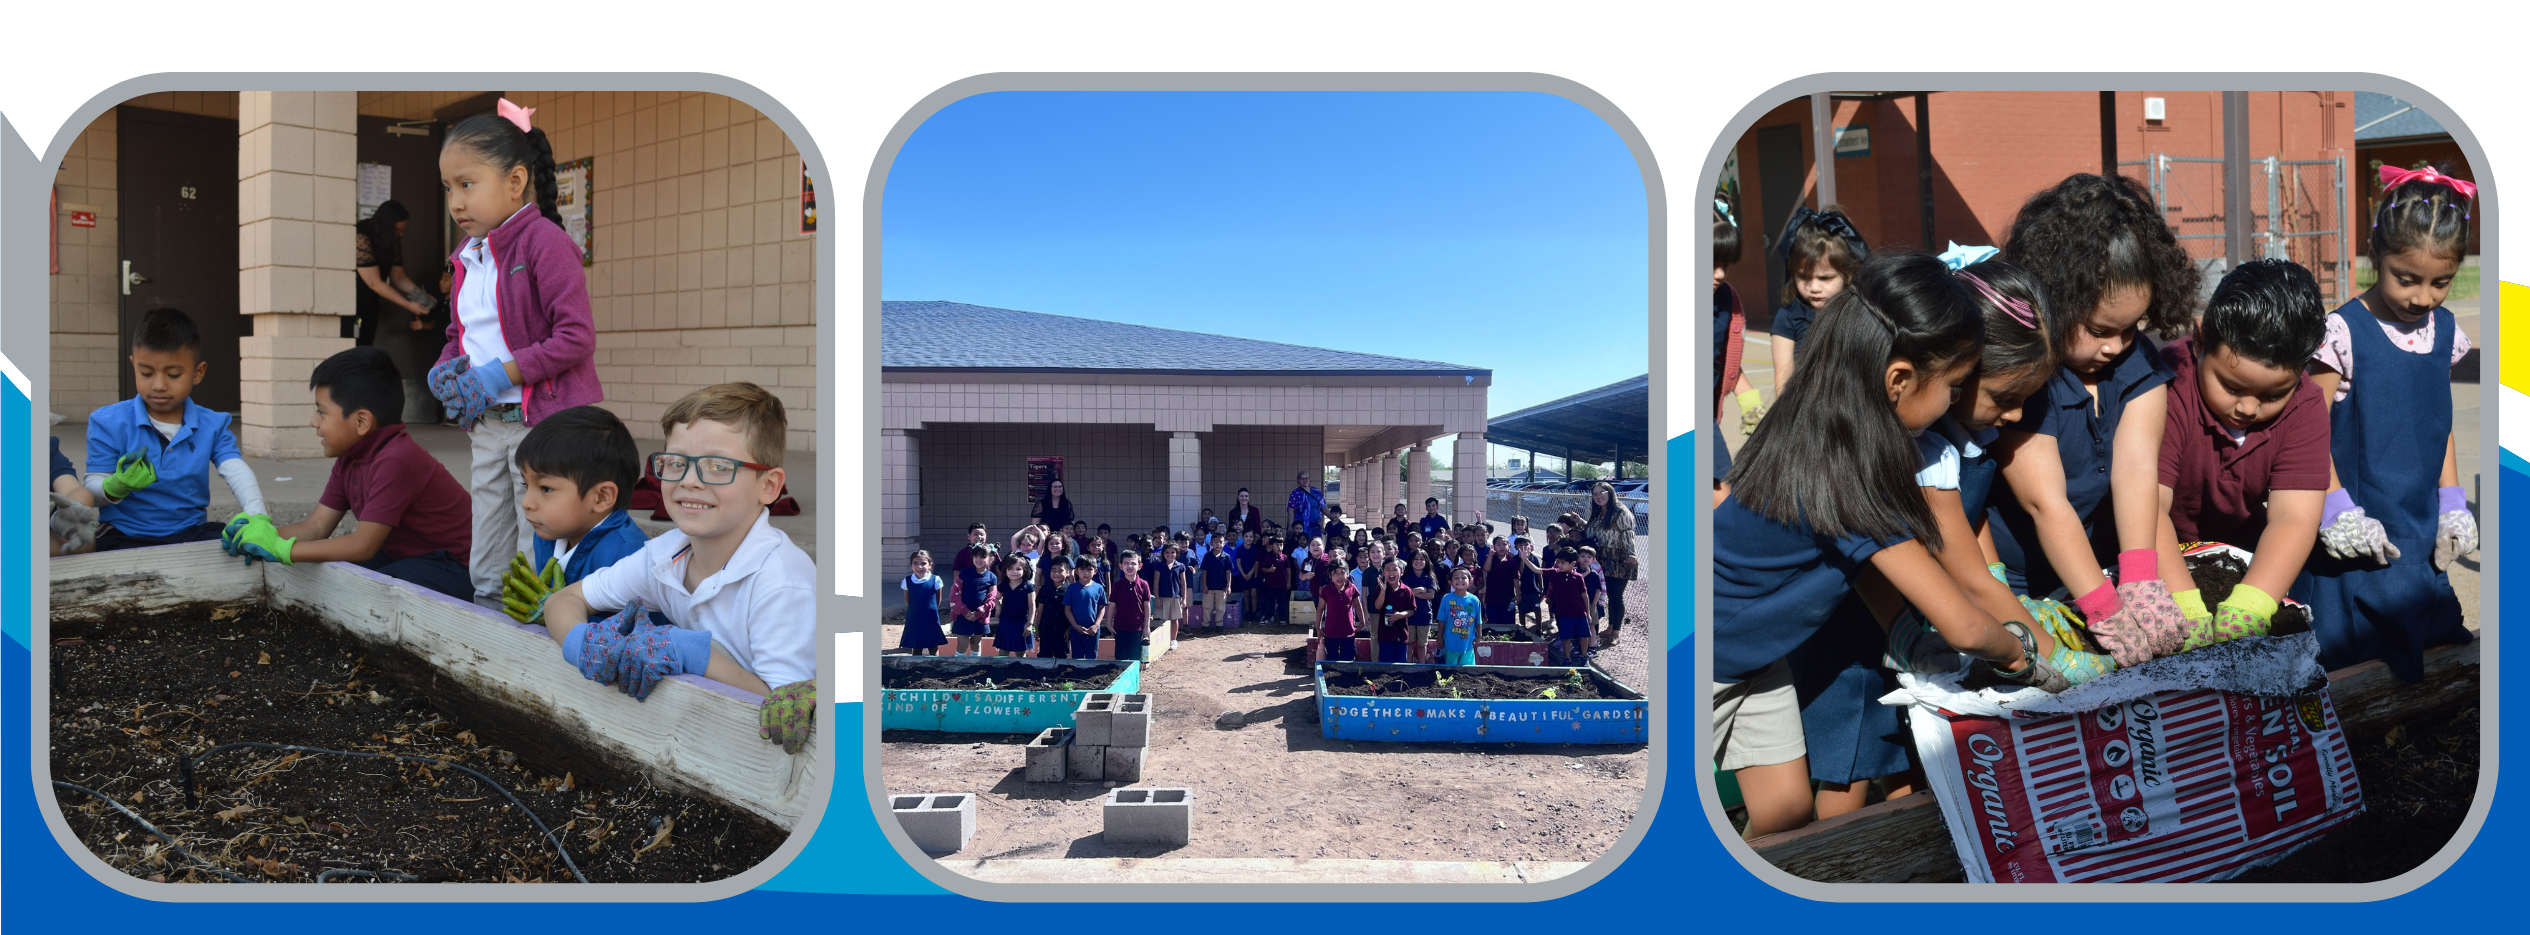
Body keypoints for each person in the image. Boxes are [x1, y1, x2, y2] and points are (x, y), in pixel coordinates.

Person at [1717, 250, 2072, 839]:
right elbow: (1960, 624)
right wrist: (2025, 659)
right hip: (1711, 656)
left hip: (1762, 654)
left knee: (1784, 811)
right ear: (1899, 380)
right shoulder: (1852, 473)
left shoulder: (1827, 425)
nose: (1955, 403)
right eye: (1955, 386)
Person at [540, 383, 816, 755]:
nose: (689, 480)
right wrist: (582, 643)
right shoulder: (664, 555)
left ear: (768, 486)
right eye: (675, 463)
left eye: (718, 466)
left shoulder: (782, 583)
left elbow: (783, 713)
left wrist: (691, 652)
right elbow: (565, 599)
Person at [1990, 174, 2198, 648]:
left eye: (2130, 329)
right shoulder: (2024, 377)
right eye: (2100, 329)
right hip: (2014, 581)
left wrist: (2141, 577)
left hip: (2102, 566)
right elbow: (2046, 503)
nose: (2116, 347)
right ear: (2055, 299)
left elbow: (2137, 469)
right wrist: (2103, 607)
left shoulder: (2138, 363)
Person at [2299, 166, 2478, 681]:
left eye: (2440, 282)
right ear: (2375, 254)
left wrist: (2452, 503)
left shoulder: (2444, 330)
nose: (2422, 297)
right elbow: (2307, 431)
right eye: (2407, 279)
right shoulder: (2342, 332)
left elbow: (2437, 421)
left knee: (2436, 655)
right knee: (2350, 663)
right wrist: (2335, 510)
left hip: (2419, 530)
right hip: (2354, 536)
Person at [428, 100, 604, 606]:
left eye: (467, 183)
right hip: (488, 422)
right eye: (448, 188)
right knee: (487, 528)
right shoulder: (467, 256)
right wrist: (446, 367)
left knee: (537, 534)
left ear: (515, 181)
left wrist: (498, 372)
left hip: (542, 423)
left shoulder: (544, 243)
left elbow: (576, 337)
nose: (456, 202)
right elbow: (461, 334)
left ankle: (538, 623)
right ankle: (487, 614)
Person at [220, 347, 473, 599]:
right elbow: (317, 526)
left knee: (374, 590)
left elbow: (362, 546)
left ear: (362, 422)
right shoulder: (350, 457)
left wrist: (280, 549)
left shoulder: (397, 459)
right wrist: (258, 535)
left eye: (321, 411)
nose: (313, 421)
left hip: (456, 566)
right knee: (341, 573)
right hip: (411, 557)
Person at [84, 307, 270, 553]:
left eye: (173, 374)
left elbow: (236, 471)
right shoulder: (108, 422)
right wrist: (114, 485)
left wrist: (258, 516)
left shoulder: (213, 424)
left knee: (233, 544)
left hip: (190, 532)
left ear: (198, 373)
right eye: (146, 373)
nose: (159, 385)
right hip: (125, 532)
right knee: (95, 554)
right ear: (133, 365)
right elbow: (91, 488)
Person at [498, 405, 651, 622]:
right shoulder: (547, 535)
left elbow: (637, 637)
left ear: (601, 497)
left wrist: (556, 616)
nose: (526, 503)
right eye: (525, 485)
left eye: (546, 488)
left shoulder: (628, 556)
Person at [1766, 205, 1869, 395]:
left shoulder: (1860, 311)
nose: (1814, 288)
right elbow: (1783, 380)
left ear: (1847, 274)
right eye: (1804, 277)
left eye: (1825, 278)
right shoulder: (1788, 317)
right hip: (1808, 415)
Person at [1716, 191, 1762, 476]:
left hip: (1711, 418)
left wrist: (1751, 404)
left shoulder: (1725, 299)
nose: (1720, 273)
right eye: (1709, 263)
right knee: (1720, 494)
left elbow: (1722, 361)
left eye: (1725, 264)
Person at [1583, 480, 1638, 644]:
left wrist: (1631, 554)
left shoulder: (1621, 512)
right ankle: (1610, 627)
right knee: (1607, 595)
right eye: (1595, 494)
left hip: (1619, 559)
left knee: (1616, 596)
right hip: (1602, 560)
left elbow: (1629, 535)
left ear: (1610, 493)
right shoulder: (1599, 513)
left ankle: (1616, 633)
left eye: (1602, 492)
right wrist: (1579, 522)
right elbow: (1592, 532)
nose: (1598, 496)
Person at [948, 545, 998, 657]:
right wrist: (964, 611)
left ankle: (975, 666)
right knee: (962, 643)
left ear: (991, 558)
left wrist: (979, 613)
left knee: (976, 642)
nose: (978, 560)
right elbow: (954, 593)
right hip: (962, 615)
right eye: (976, 556)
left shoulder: (992, 577)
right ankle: (958, 667)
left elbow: (992, 598)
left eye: (982, 557)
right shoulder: (964, 573)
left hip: (980, 617)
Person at [1035, 534, 1076, 657]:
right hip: (1046, 623)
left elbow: (1072, 577)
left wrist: (1072, 589)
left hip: (1062, 628)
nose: (1054, 546)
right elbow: (1038, 575)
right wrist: (1037, 628)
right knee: (1044, 654)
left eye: (1057, 543)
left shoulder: (1067, 559)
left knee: (1062, 654)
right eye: (1051, 543)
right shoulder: (1043, 558)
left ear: (1063, 545)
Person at [898, 550, 946, 655]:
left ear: (930, 565)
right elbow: (908, 599)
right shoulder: (907, 581)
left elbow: (938, 599)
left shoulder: (935, 580)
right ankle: (916, 668)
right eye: (915, 563)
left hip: (930, 618)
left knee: (933, 645)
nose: (919, 567)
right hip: (914, 618)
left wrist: (930, 610)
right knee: (916, 645)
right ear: (911, 565)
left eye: (923, 563)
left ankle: (935, 666)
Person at [1062, 557, 1110, 661]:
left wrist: (1096, 626)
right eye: (1082, 569)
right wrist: (1075, 626)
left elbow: (1102, 609)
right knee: (1077, 657)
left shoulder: (1099, 588)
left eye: (1089, 569)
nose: (1086, 573)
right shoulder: (1071, 588)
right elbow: (1067, 609)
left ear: (1095, 571)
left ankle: (1089, 677)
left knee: (1091, 657)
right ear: (1077, 571)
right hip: (1076, 630)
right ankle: (1077, 675)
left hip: (1093, 630)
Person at [1110, 550, 1154, 662]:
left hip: (1137, 627)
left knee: (1135, 657)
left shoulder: (1144, 584)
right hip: (1120, 627)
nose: (1129, 566)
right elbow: (1112, 605)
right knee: (1120, 657)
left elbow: (1147, 606)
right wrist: (1109, 624)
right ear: (1120, 566)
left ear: (1140, 566)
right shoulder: (1117, 585)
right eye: (1126, 563)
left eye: (1133, 563)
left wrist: (1146, 626)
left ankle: (1134, 679)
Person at [1315, 556, 1361, 662]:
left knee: (1348, 657)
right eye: (1335, 573)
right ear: (1330, 575)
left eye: (1342, 572)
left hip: (1348, 630)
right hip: (1331, 631)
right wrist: (1318, 627)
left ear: (1348, 573)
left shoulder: (1352, 588)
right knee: (1332, 656)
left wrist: (1362, 622)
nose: (1339, 576)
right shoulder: (1326, 590)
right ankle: (1331, 676)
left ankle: (1346, 676)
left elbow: (1358, 605)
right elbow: (1320, 608)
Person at [992, 552, 1037, 657]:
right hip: (1005, 622)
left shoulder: (1028, 587)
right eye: (1010, 569)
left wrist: (1030, 624)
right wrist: (998, 608)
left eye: (1018, 569)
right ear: (1005, 570)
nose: (1014, 572)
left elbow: (1032, 606)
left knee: (1021, 651)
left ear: (1025, 570)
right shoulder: (1003, 586)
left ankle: (1020, 671)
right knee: (1003, 650)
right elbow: (996, 598)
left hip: (1021, 623)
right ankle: (1002, 671)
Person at [1439, 566, 1484, 666]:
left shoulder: (1474, 600)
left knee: (1467, 671)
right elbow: (1441, 620)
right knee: (1450, 670)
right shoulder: (1446, 598)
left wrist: (1479, 637)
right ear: (1450, 582)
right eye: (1456, 578)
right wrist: (1439, 637)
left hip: (1467, 644)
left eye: (1463, 578)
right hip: (1450, 643)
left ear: (1470, 581)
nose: (1460, 580)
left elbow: (1478, 620)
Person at [1402, 548, 1439, 663]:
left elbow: (1430, 595)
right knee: (1409, 642)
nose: (1418, 561)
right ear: (1411, 561)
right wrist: (1420, 590)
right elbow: (1404, 594)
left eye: (1421, 559)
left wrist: (1414, 593)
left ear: (1426, 561)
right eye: (1415, 559)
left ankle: (1422, 665)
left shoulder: (1429, 577)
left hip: (1424, 615)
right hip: (1409, 615)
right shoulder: (1406, 577)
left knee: (1422, 644)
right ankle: (1408, 665)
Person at [1198, 530, 1235, 628]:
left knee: (1220, 608)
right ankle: (1205, 625)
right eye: (1215, 542)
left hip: (1221, 587)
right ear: (1211, 543)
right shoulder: (1207, 556)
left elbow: (1228, 572)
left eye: (1220, 542)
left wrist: (1228, 586)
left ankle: (1219, 624)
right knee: (1207, 607)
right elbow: (1204, 571)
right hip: (1209, 587)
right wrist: (1204, 585)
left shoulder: (1226, 557)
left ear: (1224, 543)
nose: (1218, 544)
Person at [1288, 472, 1326, 541]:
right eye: (1302, 479)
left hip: (1316, 526)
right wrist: (1290, 526)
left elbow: (1323, 507)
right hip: (1302, 526)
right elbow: (1291, 510)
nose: (1305, 481)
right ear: (1298, 481)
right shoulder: (1295, 493)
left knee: (1315, 544)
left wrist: (1333, 518)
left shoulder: (1316, 491)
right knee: (1304, 543)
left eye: (1307, 478)